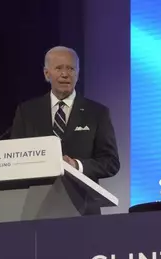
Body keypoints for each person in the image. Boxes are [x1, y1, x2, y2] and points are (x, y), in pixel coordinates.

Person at [10, 46, 120, 185]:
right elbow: (15, 159)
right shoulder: (27, 112)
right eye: (59, 68)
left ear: (78, 74)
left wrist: (76, 165)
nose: (65, 74)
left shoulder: (97, 112)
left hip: (82, 201)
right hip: (37, 200)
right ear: (46, 73)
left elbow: (111, 162)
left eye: (70, 69)